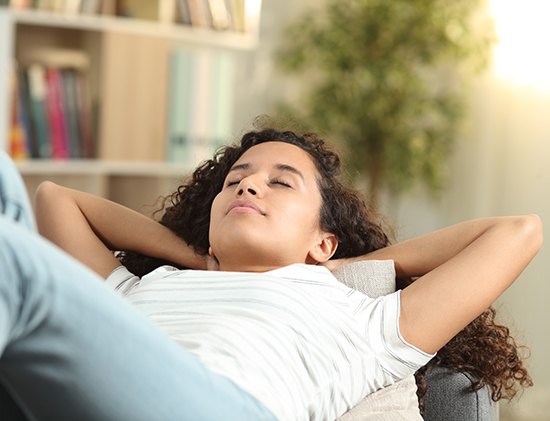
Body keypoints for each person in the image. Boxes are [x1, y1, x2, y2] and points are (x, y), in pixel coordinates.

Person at [0, 127, 541, 420]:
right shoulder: (154, 285)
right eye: (235, 180)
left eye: (281, 183)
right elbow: (56, 199)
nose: (248, 186)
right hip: (101, 387)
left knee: (16, 264)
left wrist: (347, 265)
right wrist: (193, 258)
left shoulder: (359, 320)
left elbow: (518, 232)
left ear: (323, 240)